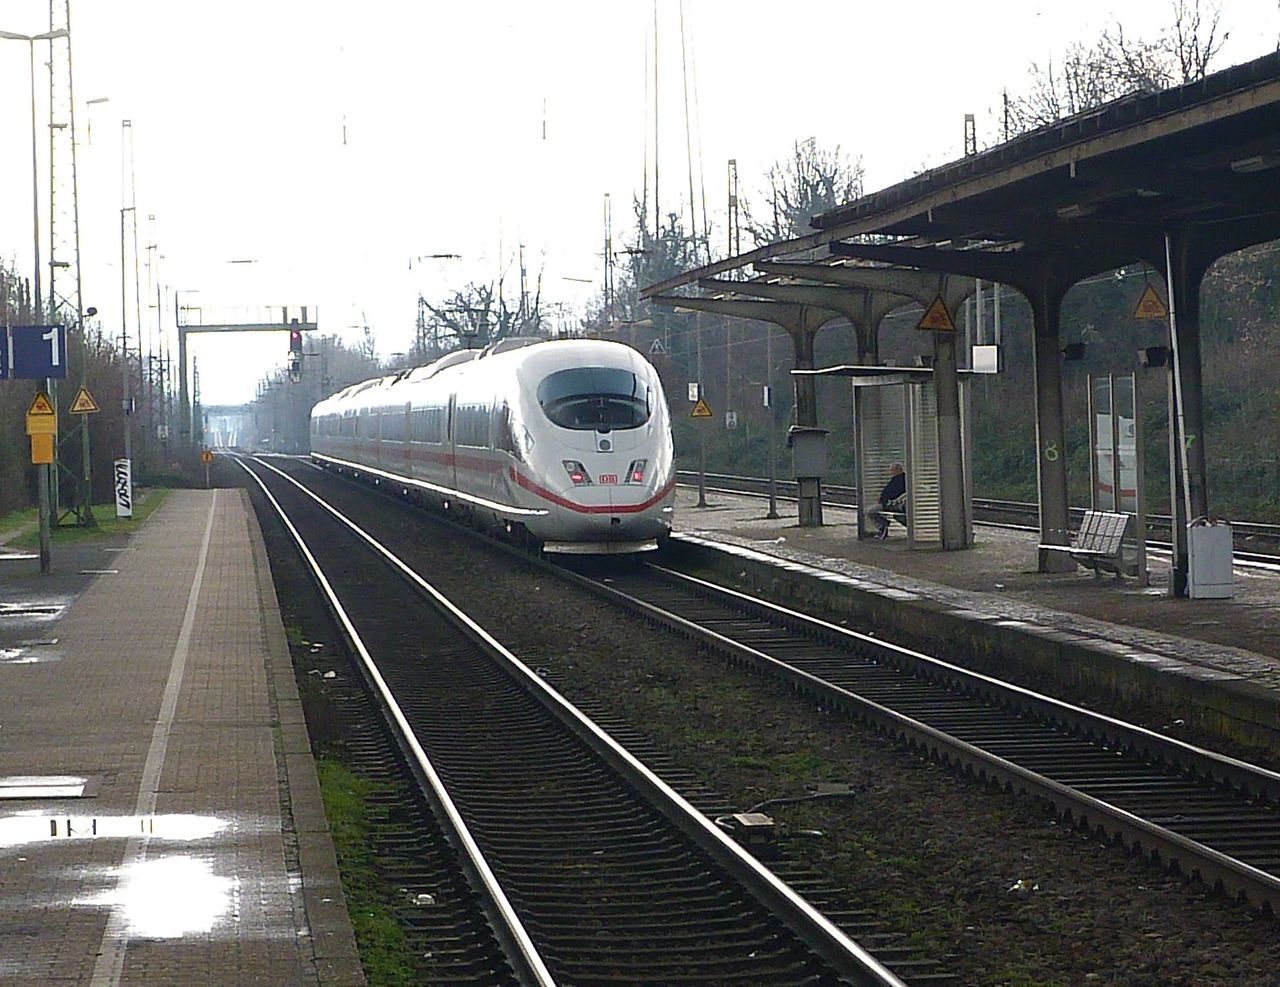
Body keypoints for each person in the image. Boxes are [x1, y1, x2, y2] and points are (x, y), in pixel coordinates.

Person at [867, 462, 906, 539]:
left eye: (892, 470)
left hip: (891, 504)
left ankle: (883, 526)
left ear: (898, 470)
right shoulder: (897, 479)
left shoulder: (900, 480)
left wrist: (882, 499)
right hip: (888, 502)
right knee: (870, 511)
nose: (891, 472)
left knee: (871, 511)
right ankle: (883, 526)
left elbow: (893, 493)